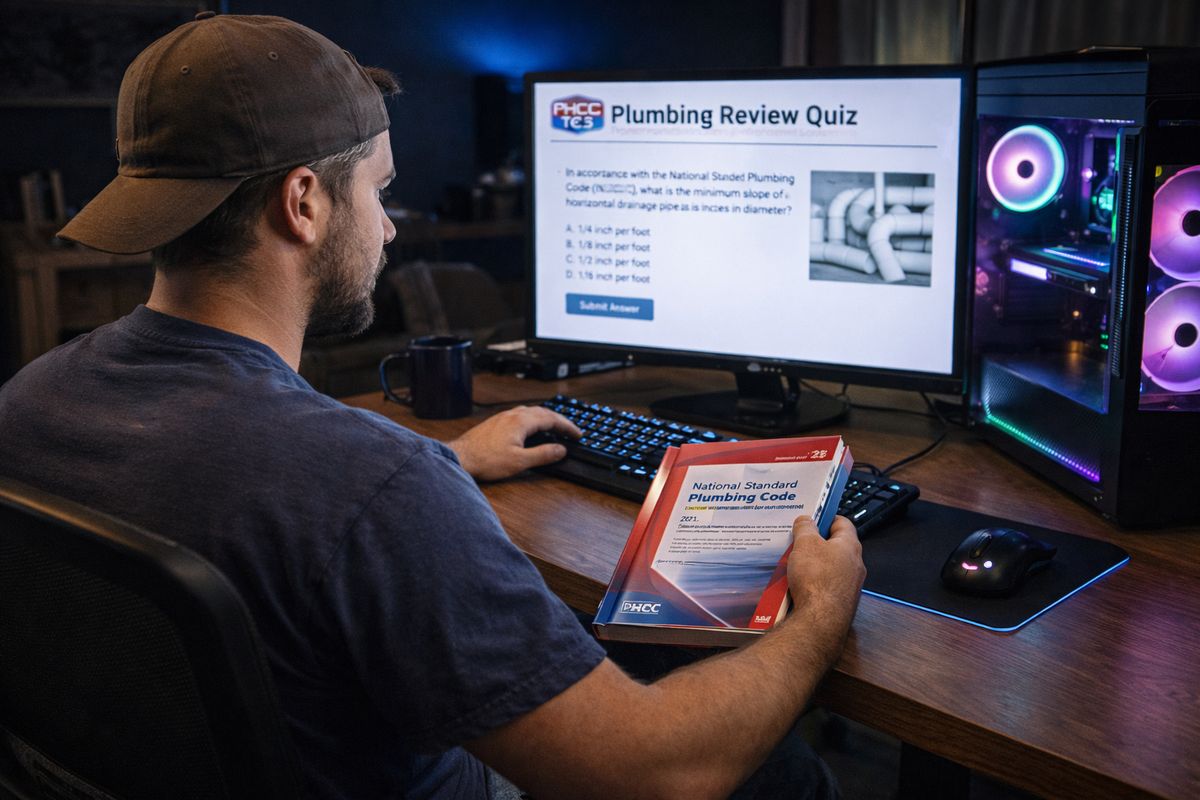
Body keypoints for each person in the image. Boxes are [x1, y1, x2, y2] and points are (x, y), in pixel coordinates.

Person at [0, 13, 865, 800]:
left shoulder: (30, 400)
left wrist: (448, 461)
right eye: (378, 190)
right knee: (780, 771)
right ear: (302, 204)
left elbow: (241, 494)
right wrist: (820, 613)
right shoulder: (372, 488)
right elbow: (650, 776)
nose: (388, 228)